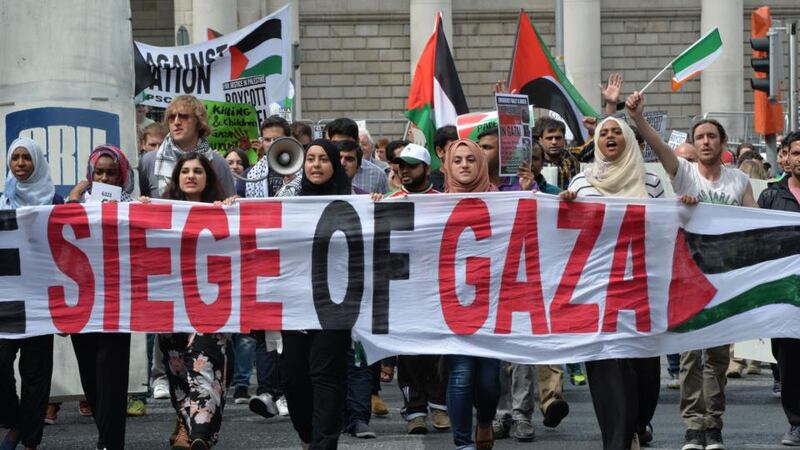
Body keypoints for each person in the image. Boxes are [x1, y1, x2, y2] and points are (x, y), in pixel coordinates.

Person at [627, 91, 757, 450]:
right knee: (689, 357)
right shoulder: (682, 174)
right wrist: (638, 119)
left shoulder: (738, 182)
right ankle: (692, 427)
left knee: (716, 357)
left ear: (722, 143)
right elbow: (657, 145)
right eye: (699, 137)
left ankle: (713, 425)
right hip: (687, 279)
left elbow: (753, 223)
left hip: (724, 280)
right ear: (693, 143)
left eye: (711, 136)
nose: (705, 142)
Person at [561, 116, 671, 450]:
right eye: (603, 133)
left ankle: (637, 424)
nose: (609, 136)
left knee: (644, 370)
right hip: (598, 288)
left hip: (640, 286)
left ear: (628, 140)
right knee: (607, 366)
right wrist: (563, 208)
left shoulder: (651, 180)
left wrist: (686, 208)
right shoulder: (581, 182)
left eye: (616, 132)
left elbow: (666, 225)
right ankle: (618, 438)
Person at [140, 153, 229, 450]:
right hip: (172, 303)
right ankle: (186, 425)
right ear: (177, 177)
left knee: (205, 366)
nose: (191, 176)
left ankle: (200, 433)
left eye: (198, 171)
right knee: (178, 369)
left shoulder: (225, 210)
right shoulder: (159, 212)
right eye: (185, 171)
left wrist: (234, 211)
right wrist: (138, 212)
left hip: (210, 304)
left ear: (208, 178)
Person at [276, 139, 353, 449]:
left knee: (326, 376)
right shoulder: (286, 201)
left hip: (336, 302)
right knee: (293, 380)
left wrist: (376, 205)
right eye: (310, 159)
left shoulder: (353, 202)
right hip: (295, 301)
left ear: (334, 165)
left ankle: (324, 444)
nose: (316, 165)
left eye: (323, 159)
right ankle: (308, 437)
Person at [64, 145, 136, 449]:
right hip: (83, 303)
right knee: (90, 377)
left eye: (112, 173)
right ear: (90, 174)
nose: (105, 177)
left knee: (111, 374)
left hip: (118, 303)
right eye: (100, 172)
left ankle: (110, 442)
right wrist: (72, 200)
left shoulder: (135, 207)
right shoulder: (73, 204)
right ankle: (105, 433)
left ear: (122, 177)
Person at [0, 137, 60, 450]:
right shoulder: (1, 201)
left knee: (36, 373)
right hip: (6, 299)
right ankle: (14, 423)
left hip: (40, 297)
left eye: (27, 158)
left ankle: (30, 440)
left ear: (37, 162)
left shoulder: (55, 201)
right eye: (16, 158)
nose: (21, 164)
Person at [441, 138, 500, 450]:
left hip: (493, 302)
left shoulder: (503, 201)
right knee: (461, 374)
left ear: (482, 164)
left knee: (490, 380)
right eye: (458, 160)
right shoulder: (434, 204)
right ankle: (463, 443)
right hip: (453, 302)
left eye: (471, 160)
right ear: (448, 166)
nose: (464, 165)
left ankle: (486, 420)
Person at [757, 130, 800, 446]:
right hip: (786, 295)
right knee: (789, 360)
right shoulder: (771, 196)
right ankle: (797, 421)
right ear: (786, 155)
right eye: (797, 152)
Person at [139, 95, 235, 198]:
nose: (176, 122)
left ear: (199, 122)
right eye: (171, 117)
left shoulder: (218, 163)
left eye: (183, 116)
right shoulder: (149, 161)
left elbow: (229, 208)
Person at [326, 118, 388, 194]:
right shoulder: (320, 172)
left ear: (357, 141)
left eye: (346, 143)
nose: (340, 147)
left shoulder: (378, 175)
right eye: (335, 143)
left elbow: (385, 204)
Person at [244, 115, 294, 199]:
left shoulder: (302, 171)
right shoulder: (251, 174)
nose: (272, 144)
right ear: (262, 142)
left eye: (277, 139)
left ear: (288, 140)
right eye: (267, 140)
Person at [537, 117, 580, 190]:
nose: (554, 142)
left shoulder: (572, 160)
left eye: (558, 138)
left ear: (564, 140)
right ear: (541, 141)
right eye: (549, 138)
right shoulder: (535, 162)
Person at [430, 126, 458, 192]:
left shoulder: (472, 179)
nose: (460, 152)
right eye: (453, 148)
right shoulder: (428, 184)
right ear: (439, 151)